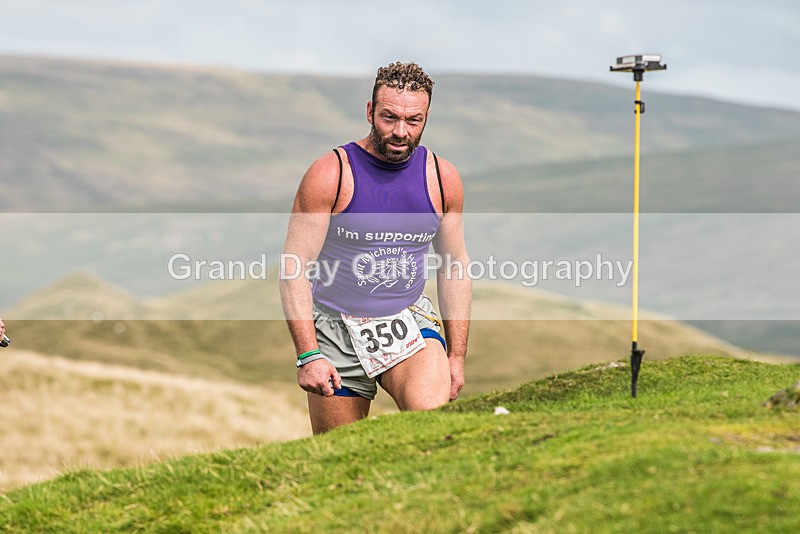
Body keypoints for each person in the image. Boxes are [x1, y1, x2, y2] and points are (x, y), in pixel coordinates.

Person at [279, 62, 471, 434]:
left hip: (407, 320)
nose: (401, 132)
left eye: (414, 120)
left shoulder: (442, 178)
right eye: (389, 118)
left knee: (431, 429)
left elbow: (454, 266)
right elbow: (294, 268)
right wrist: (308, 354)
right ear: (370, 111)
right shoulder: (330, 173)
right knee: (338, 460)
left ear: (427, 117)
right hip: (336, 330)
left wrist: (457, 355)